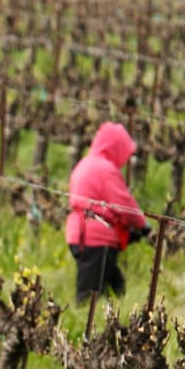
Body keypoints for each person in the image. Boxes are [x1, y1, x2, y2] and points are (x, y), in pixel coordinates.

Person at [63, 122, 148, 304]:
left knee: (115, 287)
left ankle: (110, 322)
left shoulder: (86, 163)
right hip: (97, 239)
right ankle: (85, 328)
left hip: (81, 234)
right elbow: (123, 203)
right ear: (114, 147)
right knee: (90, 295)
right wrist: (142, 223)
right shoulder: (105, 169)